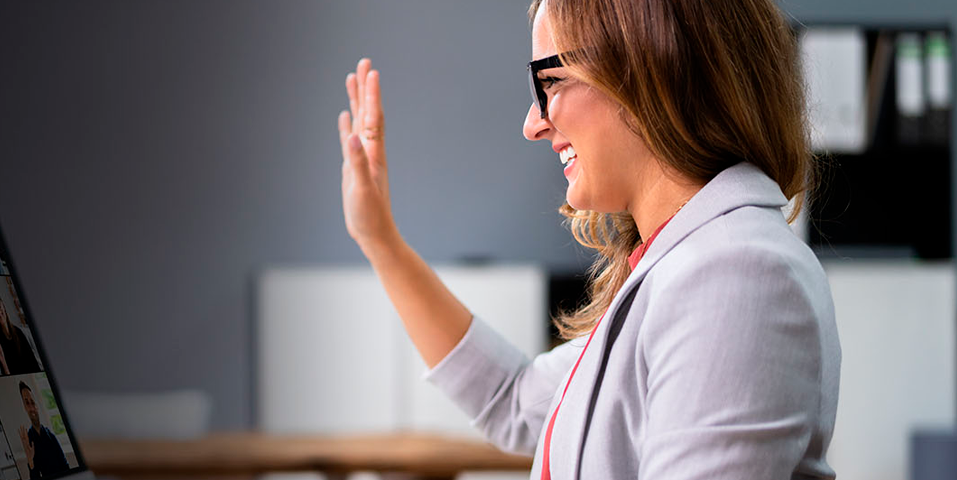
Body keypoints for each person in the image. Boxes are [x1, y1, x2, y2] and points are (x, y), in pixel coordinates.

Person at [335, 0, 840, 478]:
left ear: (648, 68)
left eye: (550, 81)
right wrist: (381, 240)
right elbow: (514, 401)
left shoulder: (736, 275)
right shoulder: (676, 267)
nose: (533, 124)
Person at [16, 381, 69, 479]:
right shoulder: (29, 441)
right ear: (24, 407)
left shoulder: (51, 436)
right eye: (27, 403)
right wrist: (30, 462)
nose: (31, 407)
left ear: (36, 405)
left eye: (32, 402)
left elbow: (65, 466)